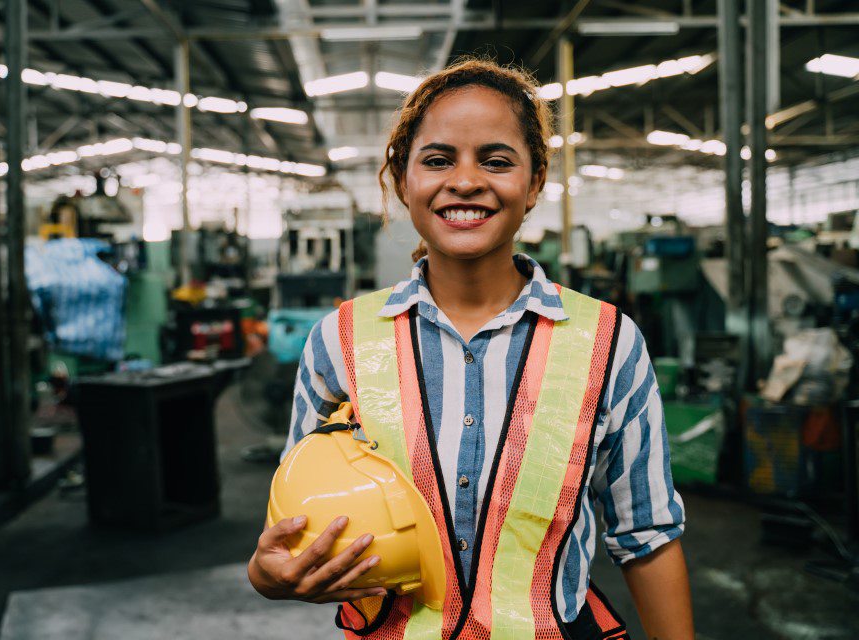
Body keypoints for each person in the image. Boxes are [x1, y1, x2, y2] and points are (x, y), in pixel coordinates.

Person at [249, 58, 693, 640]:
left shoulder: (609, 342)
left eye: (496, 160)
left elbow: (648, 537)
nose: (464, 180)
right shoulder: (340, 341)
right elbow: (297, 521)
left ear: (534, 183)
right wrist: (266, 574)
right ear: (402, 180)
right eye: (437, 160)